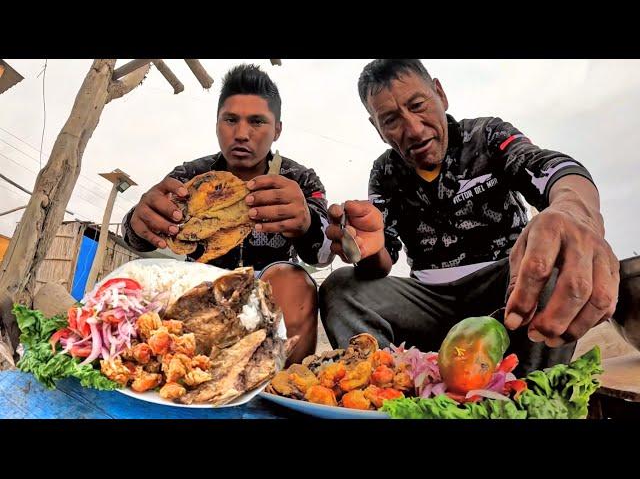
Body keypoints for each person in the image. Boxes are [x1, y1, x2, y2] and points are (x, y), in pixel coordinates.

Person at [320, 59, 620, 375]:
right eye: (391, 119)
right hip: (427, 303)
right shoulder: (384, 172)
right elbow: (382, 260)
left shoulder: (486, 135)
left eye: (418, 105)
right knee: (341, 287)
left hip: (506, 295)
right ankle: (384, 391)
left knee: (549, 261)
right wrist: (363, 248)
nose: (413, 129)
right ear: (377, 128)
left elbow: (549, 167)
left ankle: (533, 394)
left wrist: (575, 212)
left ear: (440, 94)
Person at [122, 64, 333, 364]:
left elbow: (323, 256)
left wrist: (308, 225)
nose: (242, 134)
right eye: (230, 120)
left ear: (277, 130)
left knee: (294, 280)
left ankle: (287, 385)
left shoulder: (299, 180)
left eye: (257, 121)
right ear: (217, 123)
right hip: (202, 294)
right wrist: (137, 221)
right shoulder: (191, 176)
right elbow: (135, 238)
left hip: (276, 299)